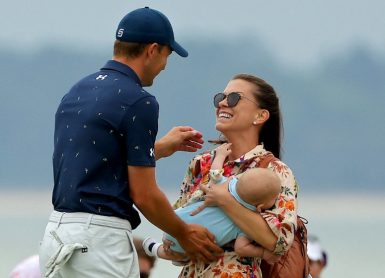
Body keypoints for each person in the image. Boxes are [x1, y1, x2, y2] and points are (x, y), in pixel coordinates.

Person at [38, 6, 221, 278]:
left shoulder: (78, 90)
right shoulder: (139, 101)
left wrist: (156, 149)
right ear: (152, 50)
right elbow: (144, 195)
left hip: (57, 237)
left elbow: (96, 164)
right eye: (167, 56)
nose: (165, 66)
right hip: (100, 243)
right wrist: (185, 233)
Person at [162, 73, 299, 277]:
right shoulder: (200, 164)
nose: (223, 103)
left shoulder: (276, 171)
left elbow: (278, 242)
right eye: (220, 98)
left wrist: (226, 200)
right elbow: (174, 236)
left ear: (260, 116)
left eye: (234, 98)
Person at [142, 142, 281, 262]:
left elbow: (214, 172)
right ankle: (155, 249)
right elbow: (241, 248)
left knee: (177, 251)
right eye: (275, 198)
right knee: (181, 255)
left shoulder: (225, 185)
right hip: (192, 243)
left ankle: (155, 248)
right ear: (260, 206)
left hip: (174, 221)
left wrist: (220, 155)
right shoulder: (245, 223)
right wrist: (262, 253)